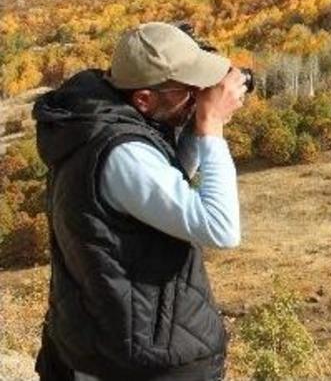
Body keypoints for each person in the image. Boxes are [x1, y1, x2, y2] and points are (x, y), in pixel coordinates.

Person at [32, 22, 247, 380]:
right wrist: (211, 126)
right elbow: (220, 228)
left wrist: (193, 126)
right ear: (144, 99)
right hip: (135, 363)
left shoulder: (100, 124)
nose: (200, 95)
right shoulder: (122, 153)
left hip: (114, 346)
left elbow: (167, 180)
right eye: (189, 90)